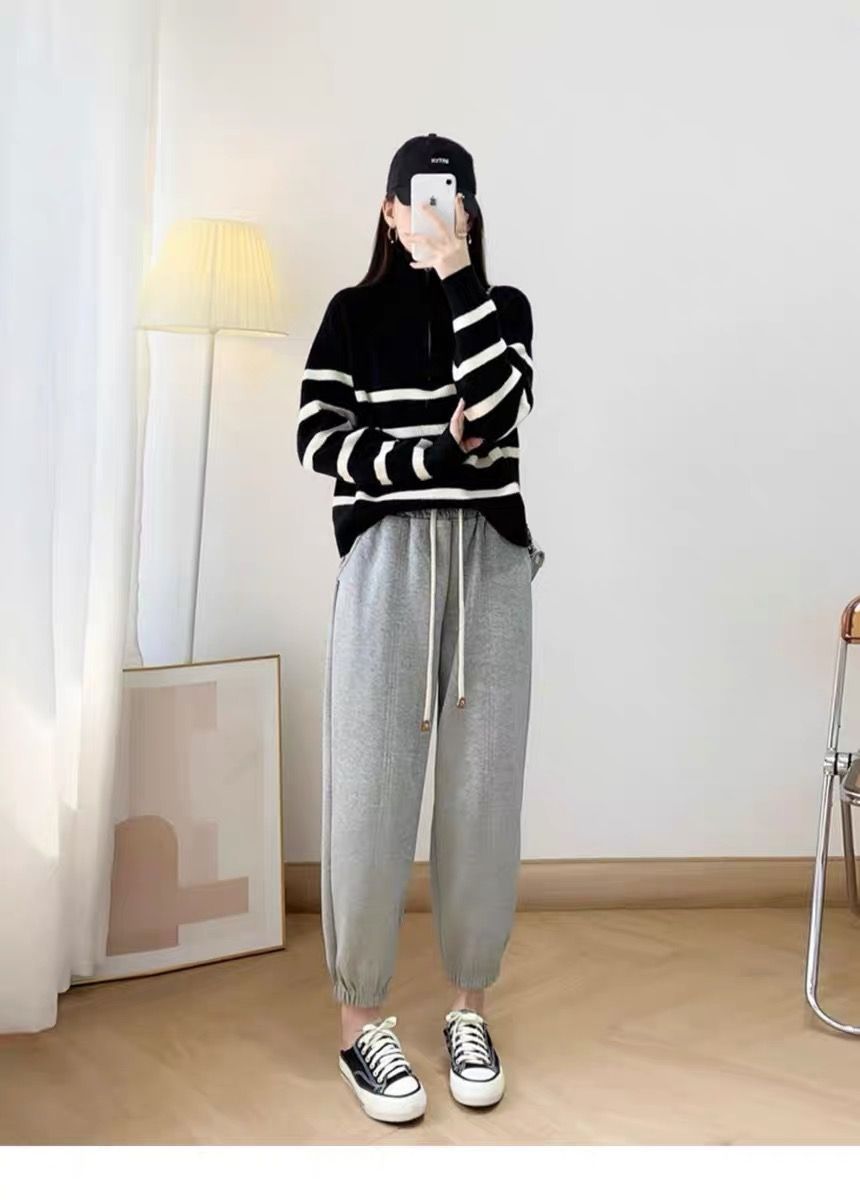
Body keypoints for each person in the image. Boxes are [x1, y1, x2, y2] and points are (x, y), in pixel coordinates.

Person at [296, 132, 544, 1124]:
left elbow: (498, 408)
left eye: (453, 198)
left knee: (483, 791)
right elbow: (320, 440)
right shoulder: (350, 315)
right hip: (385, 562)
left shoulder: (501, 307)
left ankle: (467, 1010)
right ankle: (360, 1022)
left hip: (490, 562)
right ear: (389, 209)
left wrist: (456, 277)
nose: (435, 211)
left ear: (468, 213)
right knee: (369, 787)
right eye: (418, 197)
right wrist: (429, 459)